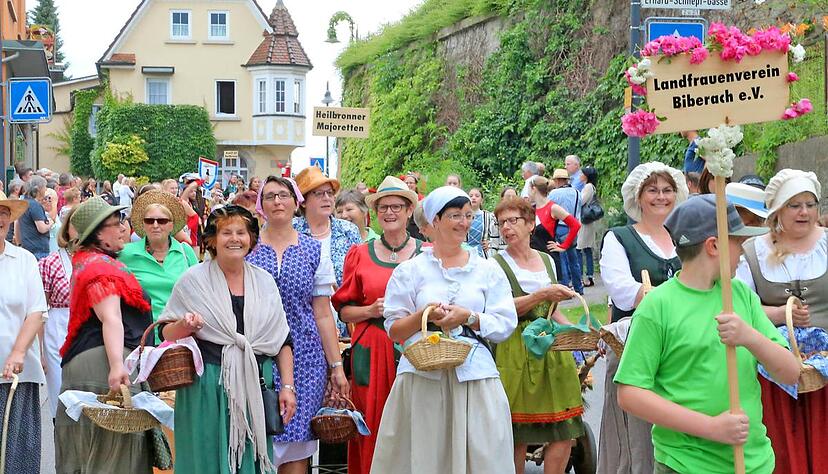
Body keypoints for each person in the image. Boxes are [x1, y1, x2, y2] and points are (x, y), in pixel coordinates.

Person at [616, 195, 799, 474]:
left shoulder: (740, 296)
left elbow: (790, 373)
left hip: (754, 462)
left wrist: (749, 336)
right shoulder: (658, 307)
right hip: (686, 465)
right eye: (738, 242)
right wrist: (711, 427)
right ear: (713, 245)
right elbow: (630, 393)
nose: (742, 251)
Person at [371, 186, 518, 473]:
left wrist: (470, 317)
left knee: (483, 457)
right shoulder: (411, 271)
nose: (464, 223)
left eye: (468, 215)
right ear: (434, 222)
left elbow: (505, 324)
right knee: (425, 456)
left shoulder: (486, 270)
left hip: (475, 377)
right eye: (454, 215)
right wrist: (425, 316)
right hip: (423, 380)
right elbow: (395, 330)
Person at [160, 205, 295, 474]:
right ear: (212, 239)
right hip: (207, 386)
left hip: (255, 384)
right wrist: (185, 325)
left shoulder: (265, 282)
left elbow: (282, 340)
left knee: (250, 459)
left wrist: (288, 388)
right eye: (226, 232)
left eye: (241, 232)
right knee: (206, 457)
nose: (235, 238)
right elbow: (165, 333)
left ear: (251, 239)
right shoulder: (192, 281)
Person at [246, 177, 348, 471]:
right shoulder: (247, 247)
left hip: (305, 356)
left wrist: (336, 366)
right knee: (255, 440)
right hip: (256, 353)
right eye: (269, 197)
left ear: (296, 202)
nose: (277, 202)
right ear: (261, 206)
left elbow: (323, 313)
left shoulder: (312, 249)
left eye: (283, 195)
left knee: (297, 444)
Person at [597, 161, 688, 474]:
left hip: (682, 348)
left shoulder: (686, 238)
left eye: (667, 190)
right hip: (634, 347)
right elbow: (624, 292)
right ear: (639, 197)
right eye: (653, 190)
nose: (661, 197)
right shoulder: (619, 238)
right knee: (636, 437)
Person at [736, 169, 828, 474]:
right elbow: (739, 308)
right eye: (794, 204)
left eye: (810, 204)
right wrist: (778, 314)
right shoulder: (752, 251)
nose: (804, 212)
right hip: (773, 370)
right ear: (777, 210)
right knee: (783, 452)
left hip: (825, 373)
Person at [55, 197, 154, 473]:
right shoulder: (100, 267)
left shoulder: (90, 261)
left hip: (92, 364)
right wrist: (116, 365)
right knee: (112, 458)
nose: (123, 228)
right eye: (115, 223)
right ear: (98, 234)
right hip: (100, 367)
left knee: (90, 455)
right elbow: (111, 317)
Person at [332, 176, 421, 474]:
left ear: (409, 210)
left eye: (397, 206)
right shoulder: (360, 254)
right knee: (371, 424)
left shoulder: (427, 254)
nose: (390, 212)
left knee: (416, 424)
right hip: (373, 349)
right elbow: (344, 312)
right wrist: (370, 309)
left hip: (417, 350)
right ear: (375, 213)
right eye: (383, 207)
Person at [491, 197, 584, 474]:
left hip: (550, 347)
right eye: (501, 223)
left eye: (513, 221)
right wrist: (541, 294)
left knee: (564, 429)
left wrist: (575, 332)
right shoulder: (495, 265)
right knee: (517, 432)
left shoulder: (546, 260)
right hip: (516, 348)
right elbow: (501, 310)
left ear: (531, 224)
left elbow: (552, 310)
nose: (506, 228)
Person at [0, 196, 47, 474]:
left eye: (4, 213)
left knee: (17, 459)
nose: (1, 219)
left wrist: (19, 352)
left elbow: (36, 310)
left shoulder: (24, 259)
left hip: (18, 376)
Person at [118, 191, 198, 328]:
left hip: (179, 333)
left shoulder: (185, 252)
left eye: (162, 221)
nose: (155, 225)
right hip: (140, 334)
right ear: (143, 225)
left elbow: (199, 291)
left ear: (171, 226)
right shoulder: (125, 254)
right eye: (149, 221)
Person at [38, 207, 79, 420]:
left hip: (89, 327)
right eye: (76, 223)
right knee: (59, 386)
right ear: (67, 229)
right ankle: (59, 427)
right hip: (58, 326)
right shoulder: (50, 263)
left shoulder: (99, 259)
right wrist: (40, 352)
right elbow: (40, 309)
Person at [293, 166, 361, 289]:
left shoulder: (348, 230)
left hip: (344, 306)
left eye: (330, 193)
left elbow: (360, 275)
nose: (327, 198)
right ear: (303, 201)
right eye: (319, 193)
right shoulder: (291, 230)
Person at [528, 176, 579, 284]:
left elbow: (575, 225)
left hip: (548, 256)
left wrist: (563, 246)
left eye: (528, 189)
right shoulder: (532, 209)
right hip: (533, 256)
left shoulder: (552, 208)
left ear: (533, 189)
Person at [549, 168, 583, 293]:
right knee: (573, 259)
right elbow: (579, 209)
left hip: (560, 227)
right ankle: (579, 287)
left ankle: (564, 287)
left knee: (561, 257)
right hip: (573, 227)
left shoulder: (553, 194)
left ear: (557, 181)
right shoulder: (577, 193)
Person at [16, 176, 52, 260]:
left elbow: (17, 224)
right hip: (39, 250)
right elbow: (42, 228)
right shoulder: (35, 205)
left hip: (26, 248)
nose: (46, 190)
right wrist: (50, 222)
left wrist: (19, 244)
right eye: (44, 187)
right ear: (38, 189)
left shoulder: (23, 202)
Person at [577, 166, 599, 287]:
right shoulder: (591, 187)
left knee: (580, 248)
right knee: (587, 248)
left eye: (582, 173)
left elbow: (581, 200)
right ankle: (589, 275)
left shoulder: (588, 187)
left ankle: (582, 276)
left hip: (584, 222)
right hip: (588, 221)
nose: (580, 175)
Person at [467, 187, 502, 258]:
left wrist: (490, 243)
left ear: (481, 200)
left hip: (483, 254)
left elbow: (497, 234)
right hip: (466, 253)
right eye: (471, 196)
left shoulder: (488, 216)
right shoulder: (462, 216)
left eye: (477, 196)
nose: (473, 198)